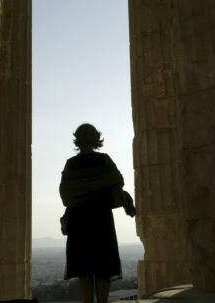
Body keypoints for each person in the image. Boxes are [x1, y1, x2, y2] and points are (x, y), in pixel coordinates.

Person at [59, 123, 136, 303]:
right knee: (103, 268)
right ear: (96, 139)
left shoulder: (71, 164)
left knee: (84, 270)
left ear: (77, 140)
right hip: (101, 219)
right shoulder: (104, 160)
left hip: (79, 221)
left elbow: (66, 194)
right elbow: (117, 182)